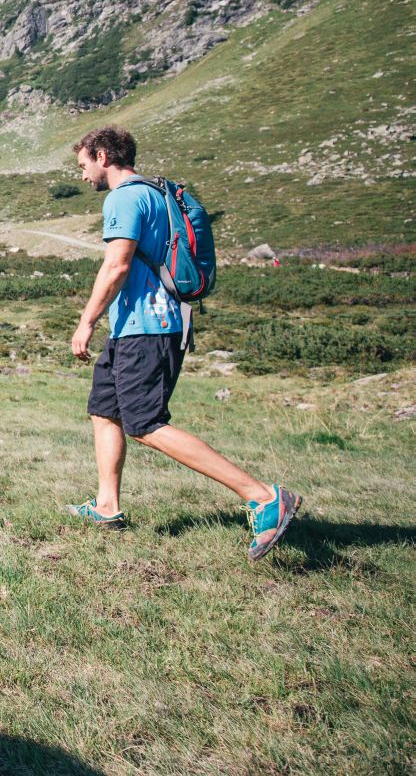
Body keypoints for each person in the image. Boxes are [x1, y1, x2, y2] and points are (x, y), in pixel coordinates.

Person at [67, 126, 301, 561]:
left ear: (102, 156)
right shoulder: (156, 193)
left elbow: (116, 266)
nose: (83, 175)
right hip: (134, 327)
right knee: (105, 409)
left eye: (83, 165)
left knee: (145, 423)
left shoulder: (123, 197)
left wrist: (85, 321)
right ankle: (106, 506)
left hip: (148, 327)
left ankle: (263, 496)